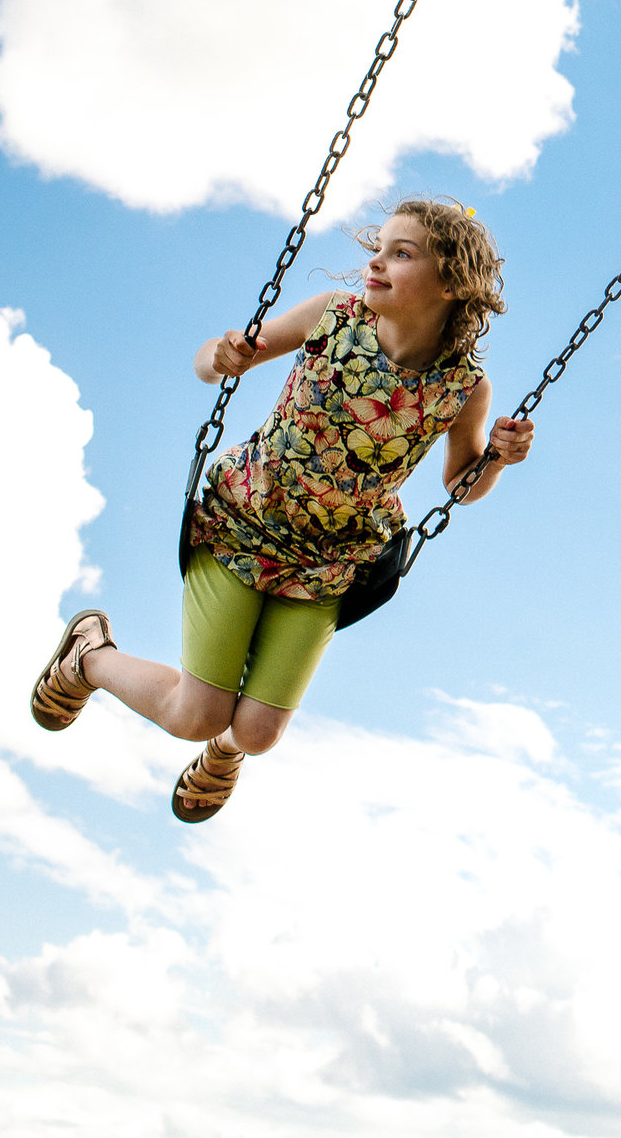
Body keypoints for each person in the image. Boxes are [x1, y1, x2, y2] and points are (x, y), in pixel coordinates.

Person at [26, 197, 535, 822]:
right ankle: (89, 656)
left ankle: (226, 751)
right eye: (377, 249)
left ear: (455, 284)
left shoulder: (465, 386)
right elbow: (215, 357)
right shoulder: (334, 317)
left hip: (332, 560)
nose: (375, 263)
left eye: (401, 254)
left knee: (259, 733)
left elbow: (462, 482)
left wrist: (497, 462)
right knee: (196, 715)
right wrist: (222, 358)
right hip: (246, 520)